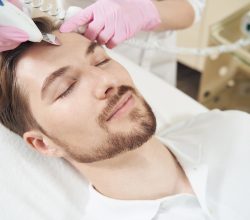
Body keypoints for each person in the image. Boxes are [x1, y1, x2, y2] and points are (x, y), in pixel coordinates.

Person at [0, 18, 250, 220]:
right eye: (66, 88)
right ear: (43, 144)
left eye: (102, 60)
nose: (106, 80)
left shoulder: (233, 130)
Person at [1, 0, 206, 86]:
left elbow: (191, 7)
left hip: (148, 53)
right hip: (76, 31)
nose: (102, 85)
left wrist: (145, 11)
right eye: (66, 88)